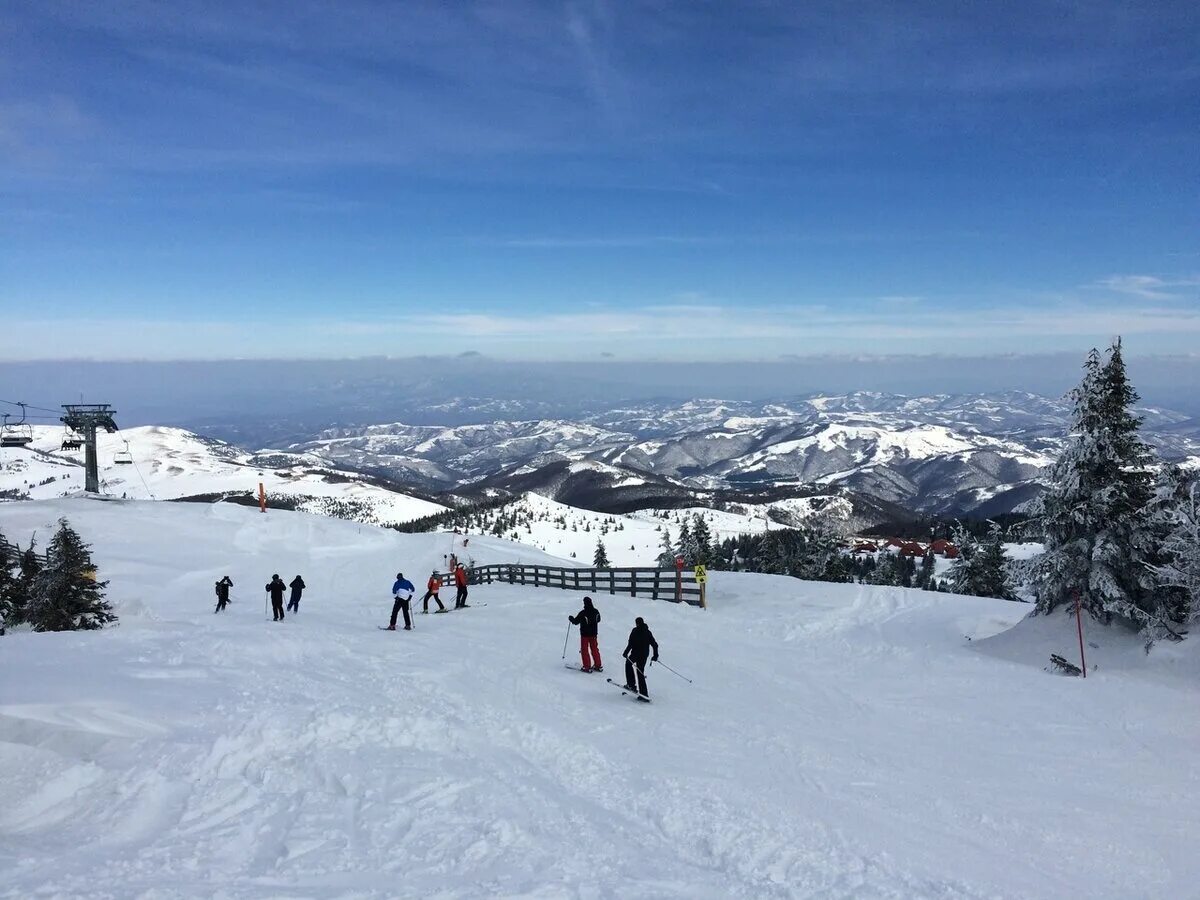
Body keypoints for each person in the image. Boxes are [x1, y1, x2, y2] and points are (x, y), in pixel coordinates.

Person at [622, 617, 658, 701]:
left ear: (637, 623)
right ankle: (643, 693)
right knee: (640, 672)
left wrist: (626, 652)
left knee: (628, 664)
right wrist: (655, 655)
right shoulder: (647, 632)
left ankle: (631, 685)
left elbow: (630, 643)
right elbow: (654, 644)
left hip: (635, 654)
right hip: (644, 655)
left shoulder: (635, 631)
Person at [569, 596, 602, 672]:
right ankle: (598, 665)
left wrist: (571, 619)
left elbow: (575, 622)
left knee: (584, 650)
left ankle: (587, 666)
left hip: (585, 634)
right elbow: (599, 620)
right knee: (594, 649)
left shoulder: (583, 613)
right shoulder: (596, 611)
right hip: (594, 634)